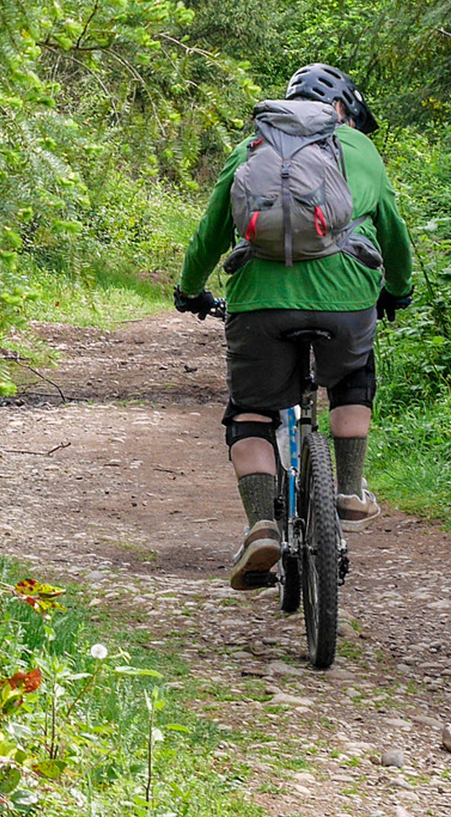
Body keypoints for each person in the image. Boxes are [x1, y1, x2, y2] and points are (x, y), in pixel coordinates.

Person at [174, 63, 415, 590]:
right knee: (353, 376)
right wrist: (397, 289)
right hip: (345, 302)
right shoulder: (360, 150)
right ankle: (348, 489)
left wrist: (190, 289)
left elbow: (211, 232)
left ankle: (261, 525)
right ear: (344, 111)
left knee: (252, 412)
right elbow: (393, 233)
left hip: (261, 305)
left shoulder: (252, 149)